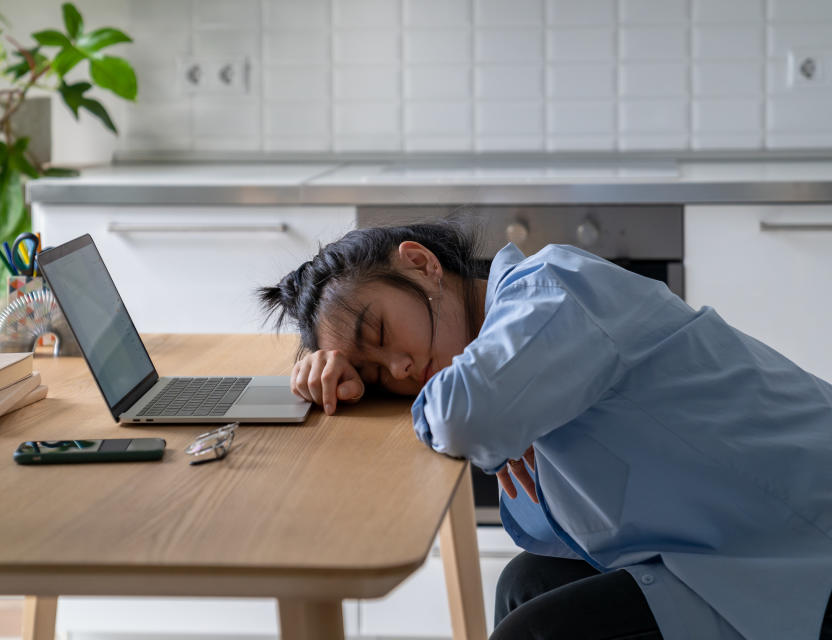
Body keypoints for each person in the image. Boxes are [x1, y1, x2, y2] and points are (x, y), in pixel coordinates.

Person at [258, 221, 832, 640]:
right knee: (525, 583)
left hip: (798, 532)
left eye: (380, 332)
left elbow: (464, 417)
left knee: (533, 634)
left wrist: (480, 408)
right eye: (375, 374)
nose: (400, 371)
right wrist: (337, 375)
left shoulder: (552, 288)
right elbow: (545, 515)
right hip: (716, 532)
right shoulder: (501, 365)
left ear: (421, 263)